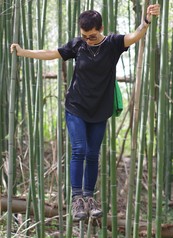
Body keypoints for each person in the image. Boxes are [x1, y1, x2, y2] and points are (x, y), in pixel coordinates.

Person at [11, 4, 160, 222]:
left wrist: (146, 21)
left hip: (100, 109)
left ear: (102, 28)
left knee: (92, 154)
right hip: (76, 106)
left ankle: (89, 198)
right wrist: (25, 52)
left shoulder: (112, 44)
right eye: (84, 35)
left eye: (92, 35)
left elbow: (136, 35)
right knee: (79, 149)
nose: (88, 39)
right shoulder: (78, 45)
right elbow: (53, 53)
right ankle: (76, 199)